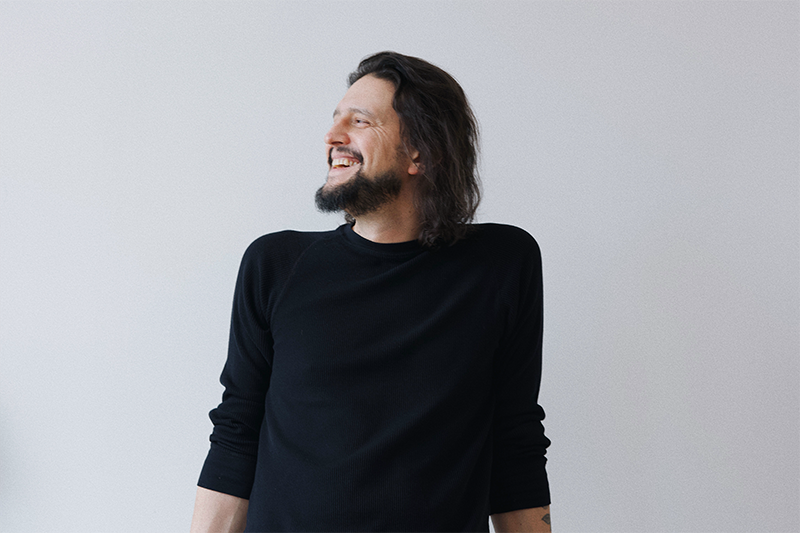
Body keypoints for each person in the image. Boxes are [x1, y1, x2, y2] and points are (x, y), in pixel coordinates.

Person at [190, 51, 552, 533]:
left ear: (421, 152)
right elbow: (236, 434)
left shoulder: (500, 264)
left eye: (359, 121)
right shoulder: (276, 265)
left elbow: (515, 442)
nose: (332, 136)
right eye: (335, 119)